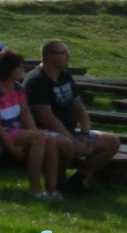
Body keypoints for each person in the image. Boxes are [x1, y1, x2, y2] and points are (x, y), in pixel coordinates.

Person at [0, 48, 60, 199]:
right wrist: (12, 147)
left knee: (50, 139)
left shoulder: (17, 88)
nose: (23, 70)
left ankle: (52, 190)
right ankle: (35, 190)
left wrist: (35, 130)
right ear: (9, 69)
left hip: (13, 129)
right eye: (19, 67)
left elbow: (26, 113)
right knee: (39, 139)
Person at [26, 38, 120, 190]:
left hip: (71, 133)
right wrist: (73, 141)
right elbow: (48, 119)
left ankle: (77, 180)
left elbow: (81, 109)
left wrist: (84, 135)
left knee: (111, 141)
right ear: (50, 56)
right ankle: (59, 180)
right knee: (66, 145)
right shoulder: (37, 80)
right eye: (64, 53)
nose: (68, 57)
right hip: (47, 135)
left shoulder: (65, 76)